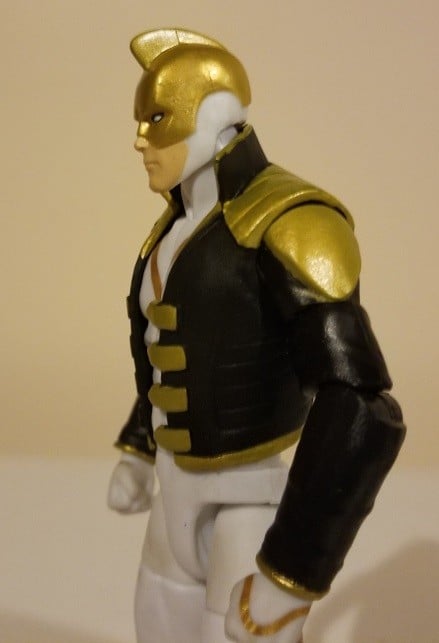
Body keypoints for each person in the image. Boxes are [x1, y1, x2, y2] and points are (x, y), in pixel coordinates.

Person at [107, 28, 405, 643]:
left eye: (158, 118)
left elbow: (360, 404)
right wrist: (141, 445)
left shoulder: (290, 221)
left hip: (245, 502)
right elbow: (178, 353)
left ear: (213, 118)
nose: (140, 139)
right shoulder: (172, 231)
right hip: (171, 494)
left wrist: (292, 571)